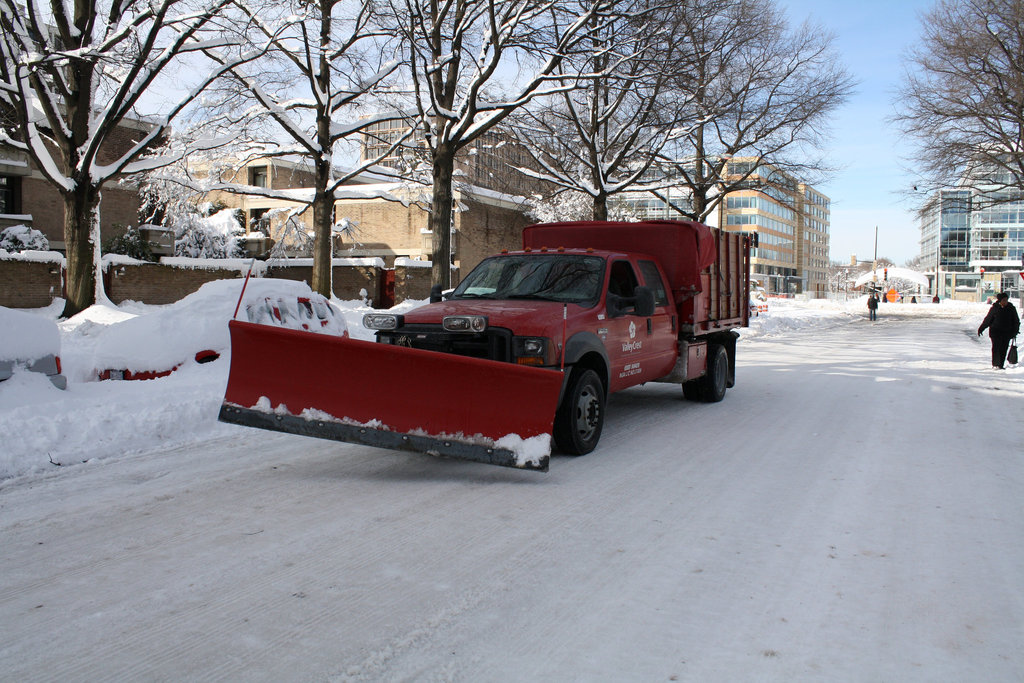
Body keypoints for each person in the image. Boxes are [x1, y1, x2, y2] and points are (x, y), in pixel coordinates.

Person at [977, 292, 1020, 369]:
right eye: (1003, 300)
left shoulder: (1011, 308)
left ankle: (1001, 365)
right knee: (996, 347)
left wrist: (1015, 331)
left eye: (1006, 300)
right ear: (999, 300)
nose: (1005, 302)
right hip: (995, 332)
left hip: (1007, 333)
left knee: (1004, 348)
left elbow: (1016, 321)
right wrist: (981, 328)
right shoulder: (995, 308)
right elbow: (988, 319)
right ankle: (995, 364)